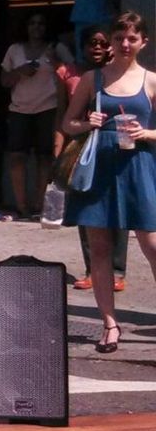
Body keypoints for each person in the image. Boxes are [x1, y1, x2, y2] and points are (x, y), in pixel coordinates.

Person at [61, 10, 156, 355]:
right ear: (112, 43)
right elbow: (67, 123)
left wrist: (146, 132)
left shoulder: (151, 80)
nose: (125, 44)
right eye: (119, 38)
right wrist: (89, 123)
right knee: (99, 250)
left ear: (143, 42)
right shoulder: (92, 79)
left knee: (153, 245)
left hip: (140, 166)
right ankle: (110, 325)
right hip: (99, 168)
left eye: (132, 38)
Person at [62, 28, 125, 290]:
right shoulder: (79, 76)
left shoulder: (121, 75)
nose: (97, 48)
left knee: (118, 211)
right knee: (88, 207)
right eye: (92, 43)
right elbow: (64, 118)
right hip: (85, 147)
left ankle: (117, 271)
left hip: (118, 147)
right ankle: (93, 269)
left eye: (102, 43)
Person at [3, 12, 75, 219]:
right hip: (19, 109)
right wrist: (20, 71)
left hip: (48, 107)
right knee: (17, 157)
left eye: (41, 23)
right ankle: (21, 206)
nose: (36, 27)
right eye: (32, 23)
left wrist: (55, 64)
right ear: (25, 27)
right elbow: (4, 80)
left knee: (45, 157)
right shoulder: (14, 50)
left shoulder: (56, 48)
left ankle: (39, 205)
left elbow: (72, 74)